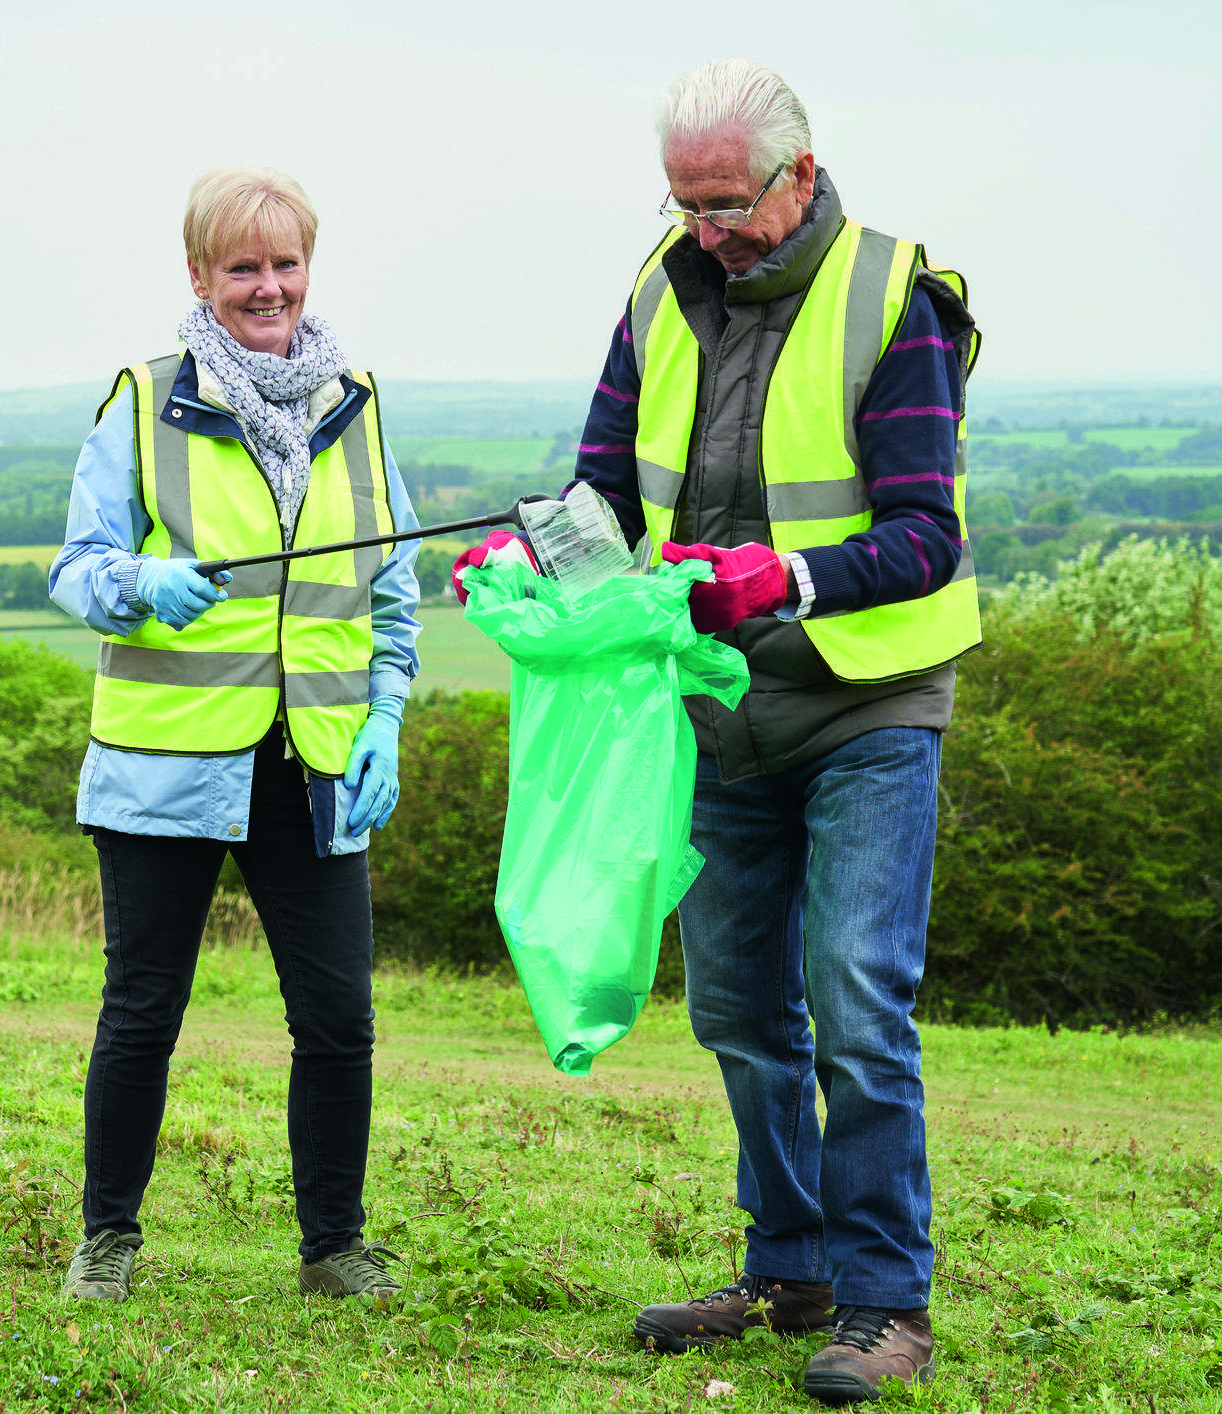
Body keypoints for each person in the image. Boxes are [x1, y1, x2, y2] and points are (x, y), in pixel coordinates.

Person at [555, 61, 978, 1404]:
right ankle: (785, 1265)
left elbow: (926, 532)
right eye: (684, 203)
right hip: (716, 704)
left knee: (854, 996)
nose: (704, 230)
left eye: (727, 202)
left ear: (798, 176)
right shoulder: (656, 287)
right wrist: (540, 561)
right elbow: (603, 488)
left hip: (864, 702)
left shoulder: (890, 294)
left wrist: (782, 577)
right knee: (739, 1009)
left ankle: (883, 1303)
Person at [48, 166, 422, 1307]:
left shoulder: (354, 402)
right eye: (244, 267)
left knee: (340, 1020)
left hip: (314, 768)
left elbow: (392, 591)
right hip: (165, 769)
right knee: (142, 1014)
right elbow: (76, 568)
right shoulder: (146, 401)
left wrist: (387, 721)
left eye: (286, 263)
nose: (269, 287)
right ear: (201, 277)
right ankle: (105, 1241)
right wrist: (135, 582)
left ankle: (334, 1247)